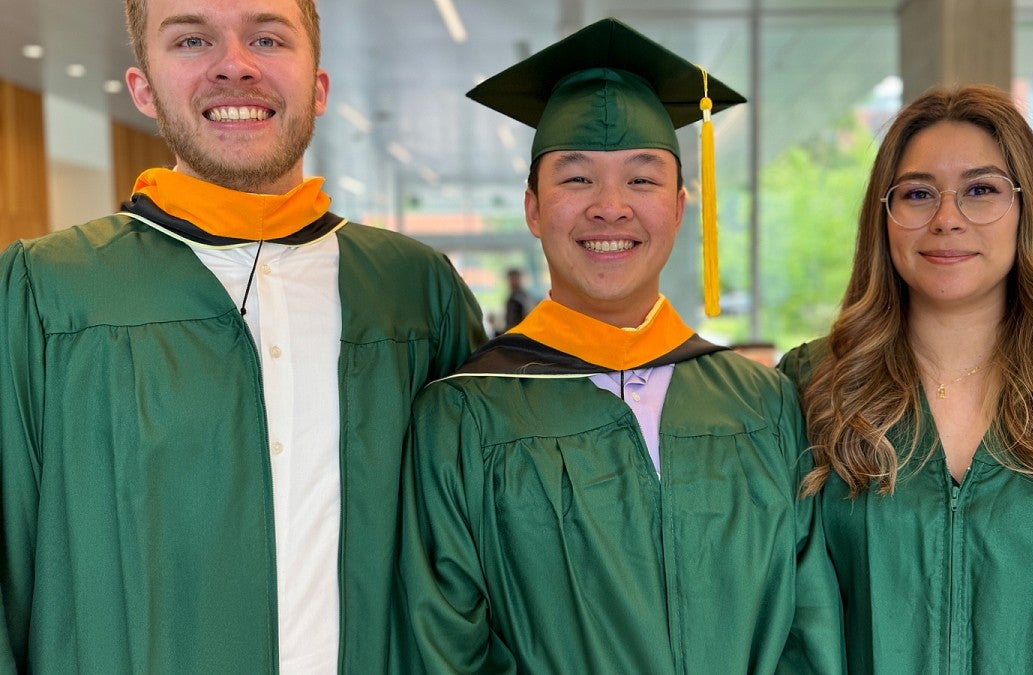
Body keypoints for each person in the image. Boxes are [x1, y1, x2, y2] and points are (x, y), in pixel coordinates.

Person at [0, 0, 485, 671]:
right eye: (193, 39)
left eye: (267, 36)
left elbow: (472, 555)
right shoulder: (48, 293)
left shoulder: (414, 293)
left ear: (318, 86)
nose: (235, 65)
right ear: (142, 87)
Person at [399, 18, 844, 673]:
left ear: (682, 203)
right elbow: (444, 646)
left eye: (642, 179)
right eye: (576, 179)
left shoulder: (765, 404)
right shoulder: (464, 417)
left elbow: (810, 627)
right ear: (531, 206)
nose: (611, 207)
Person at [778, 85, 1033, 673]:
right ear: (885, 217)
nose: (947, 219)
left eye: (981, 190)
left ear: (1029, 210)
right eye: (918, 194)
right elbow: (787, 628)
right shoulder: (811, 391)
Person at [502, 266, 532, 331]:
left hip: (520, 332)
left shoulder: (518, 298)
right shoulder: (514, 296)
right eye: (511, 279)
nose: (512, 282)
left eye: (514, 278)